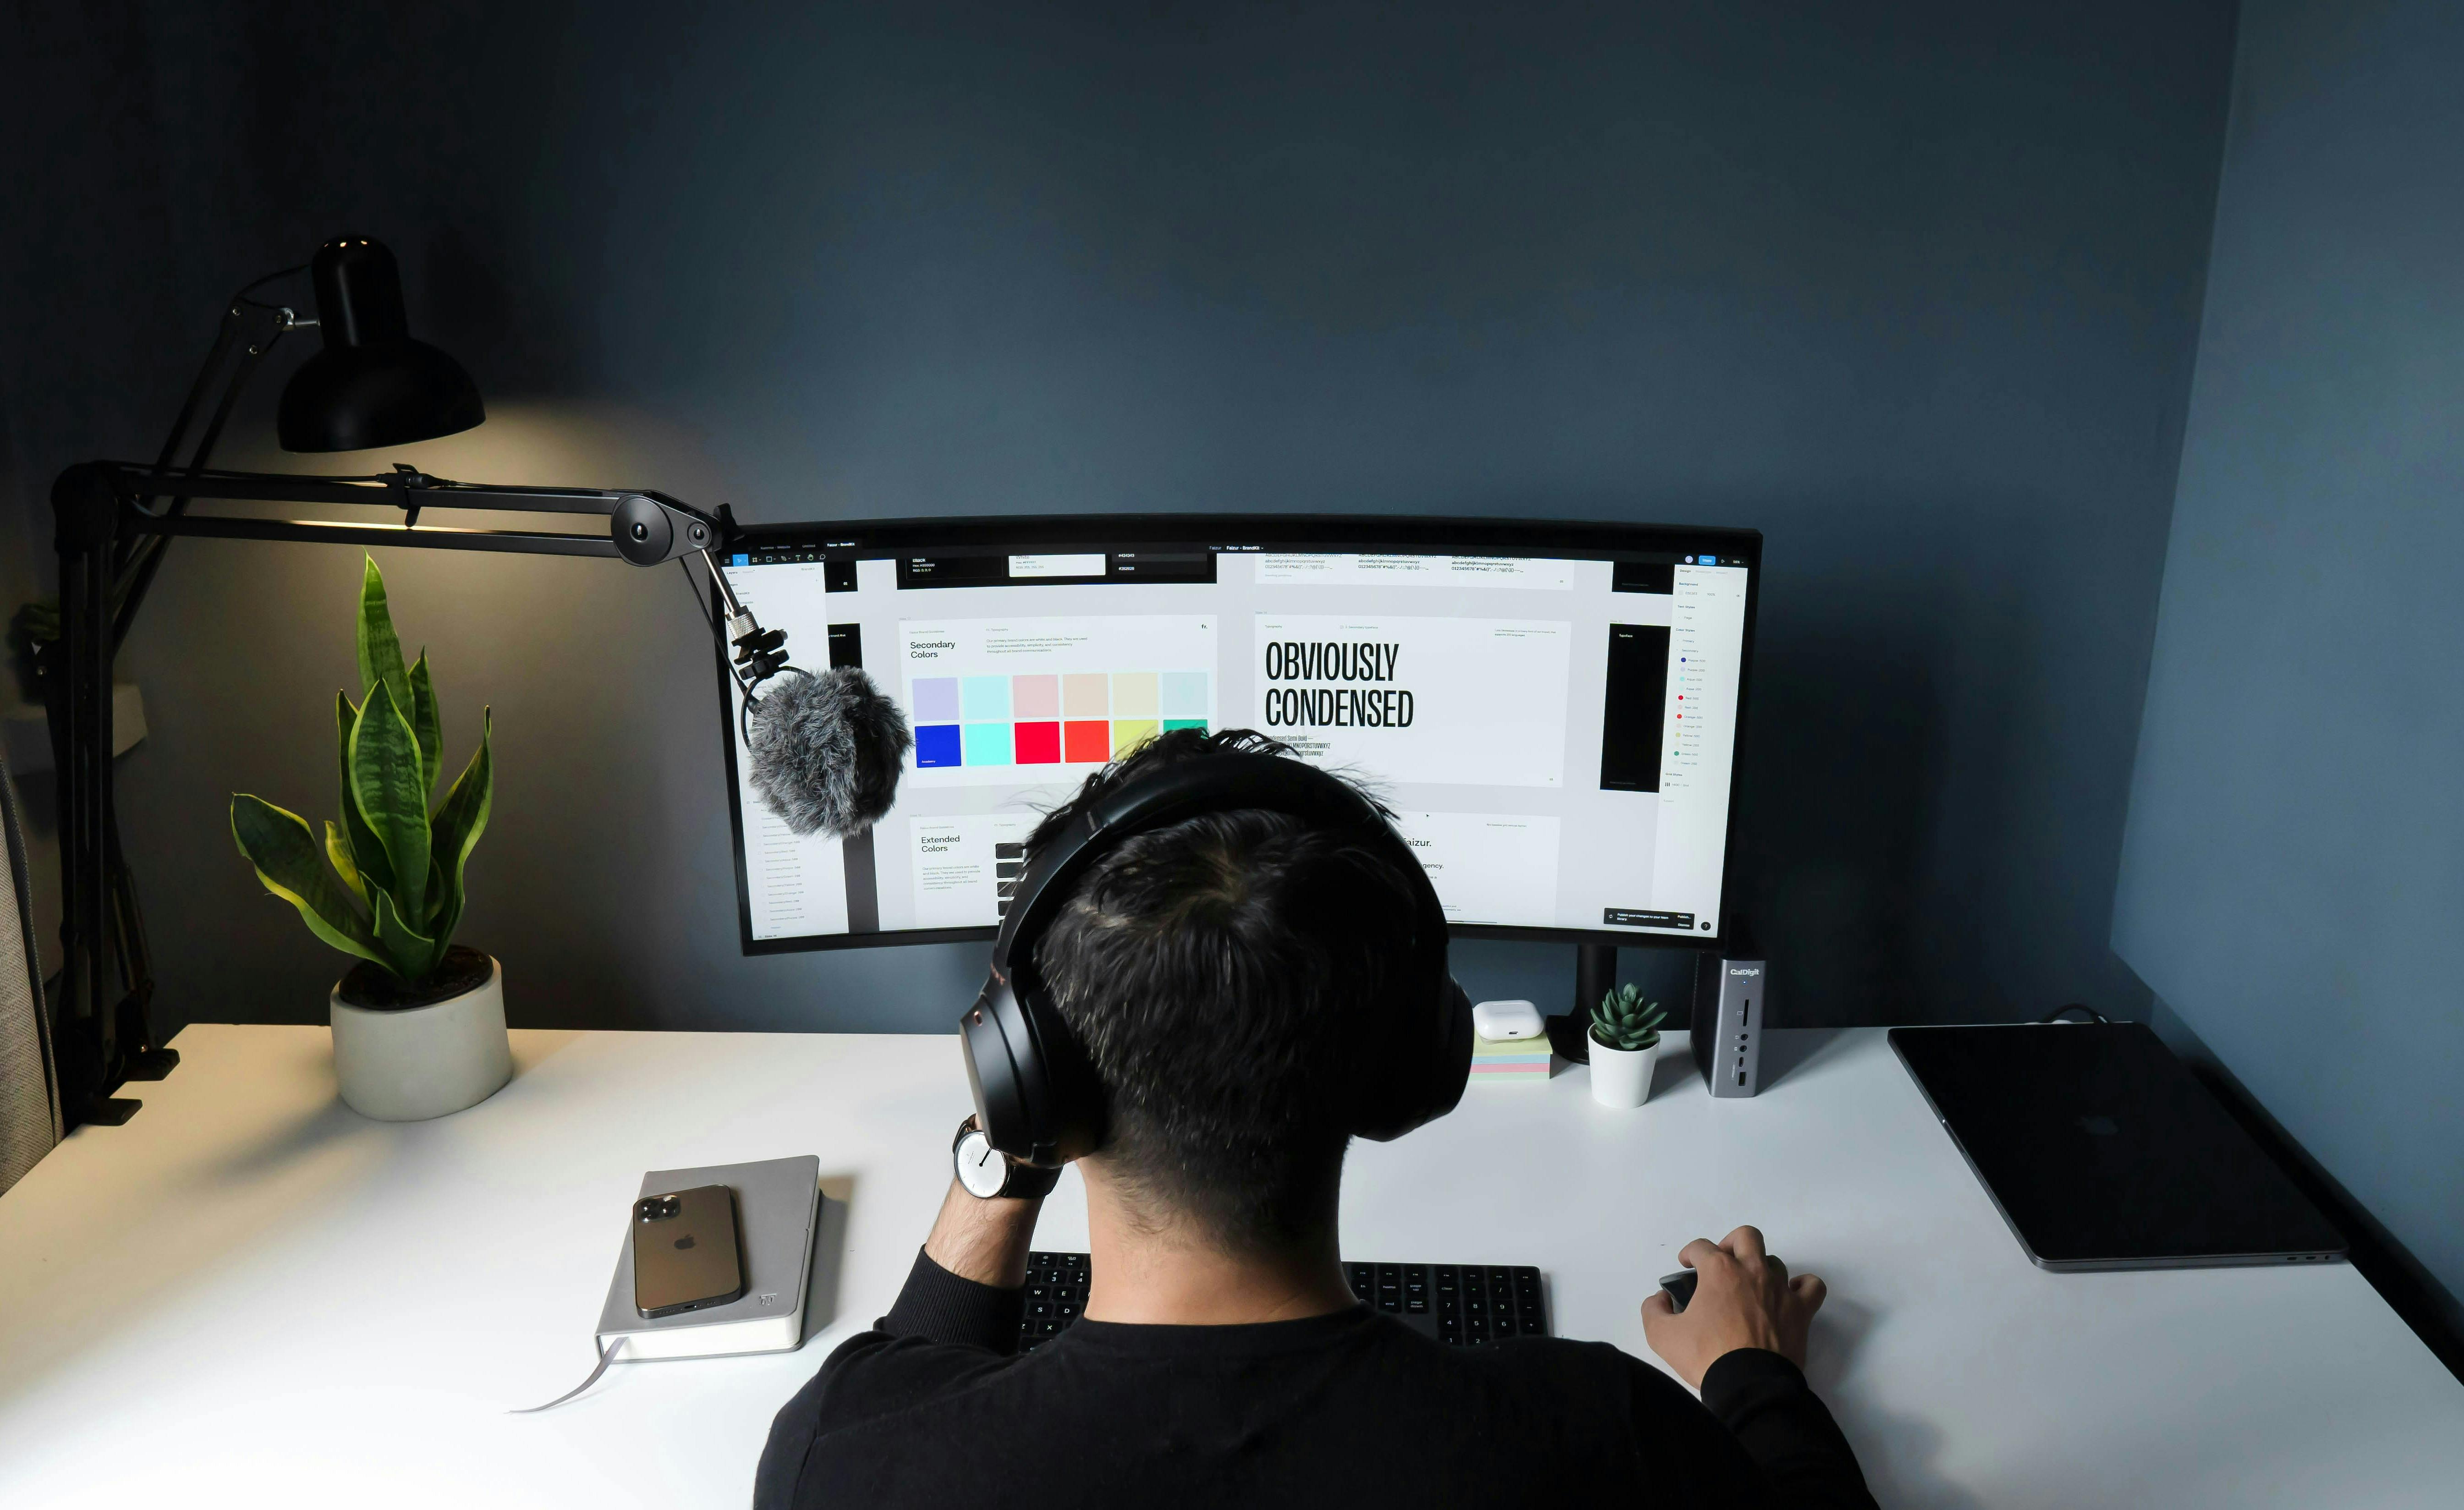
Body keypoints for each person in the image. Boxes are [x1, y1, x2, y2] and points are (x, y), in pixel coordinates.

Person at [756, 730, 1877, 1509]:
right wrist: (1754, 1372)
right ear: (1410, 1068)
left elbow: (909, 1368)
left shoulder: (844, 1457)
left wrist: (1006, 1146)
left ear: (1027, 1079)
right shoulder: (1596, 1436)